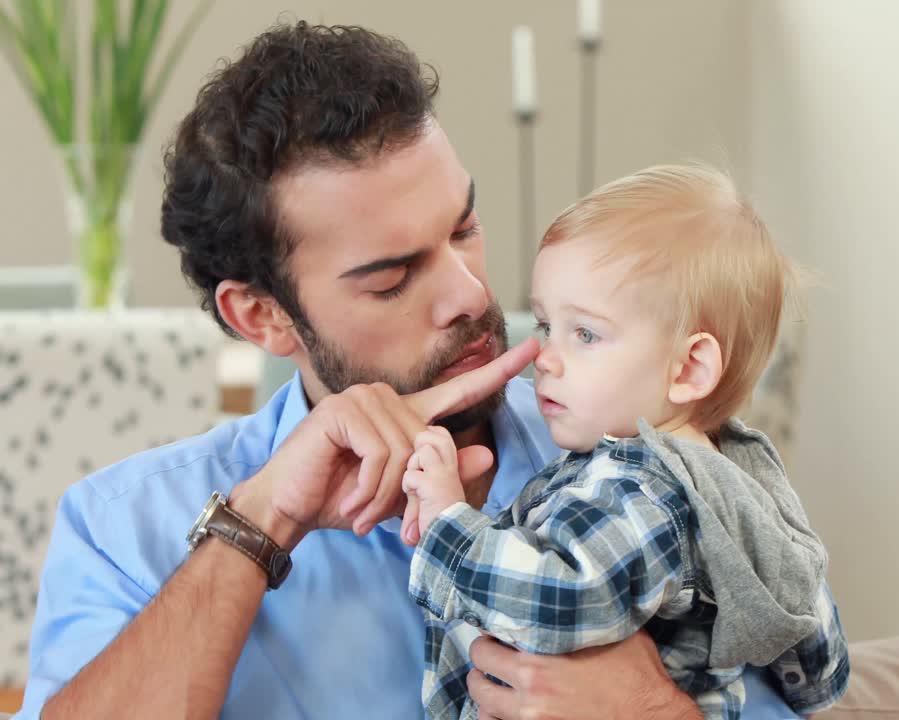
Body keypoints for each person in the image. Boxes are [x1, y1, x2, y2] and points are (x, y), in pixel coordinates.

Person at [17, 22, 831, 720]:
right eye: (391, 277)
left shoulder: (640, 460)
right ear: (259, 315)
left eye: (465, 228)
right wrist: (257, 526)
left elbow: (809, 672)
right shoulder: (125, 527)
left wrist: (658, 712)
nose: (471, 293)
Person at [398, 165, 850, 719]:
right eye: (544, 326)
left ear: (688, 367)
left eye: (585, 333)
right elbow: (812, 650)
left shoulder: (642, 490)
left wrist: (449, 522)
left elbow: (558, 600)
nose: (546, 356)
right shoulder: (731, 481)